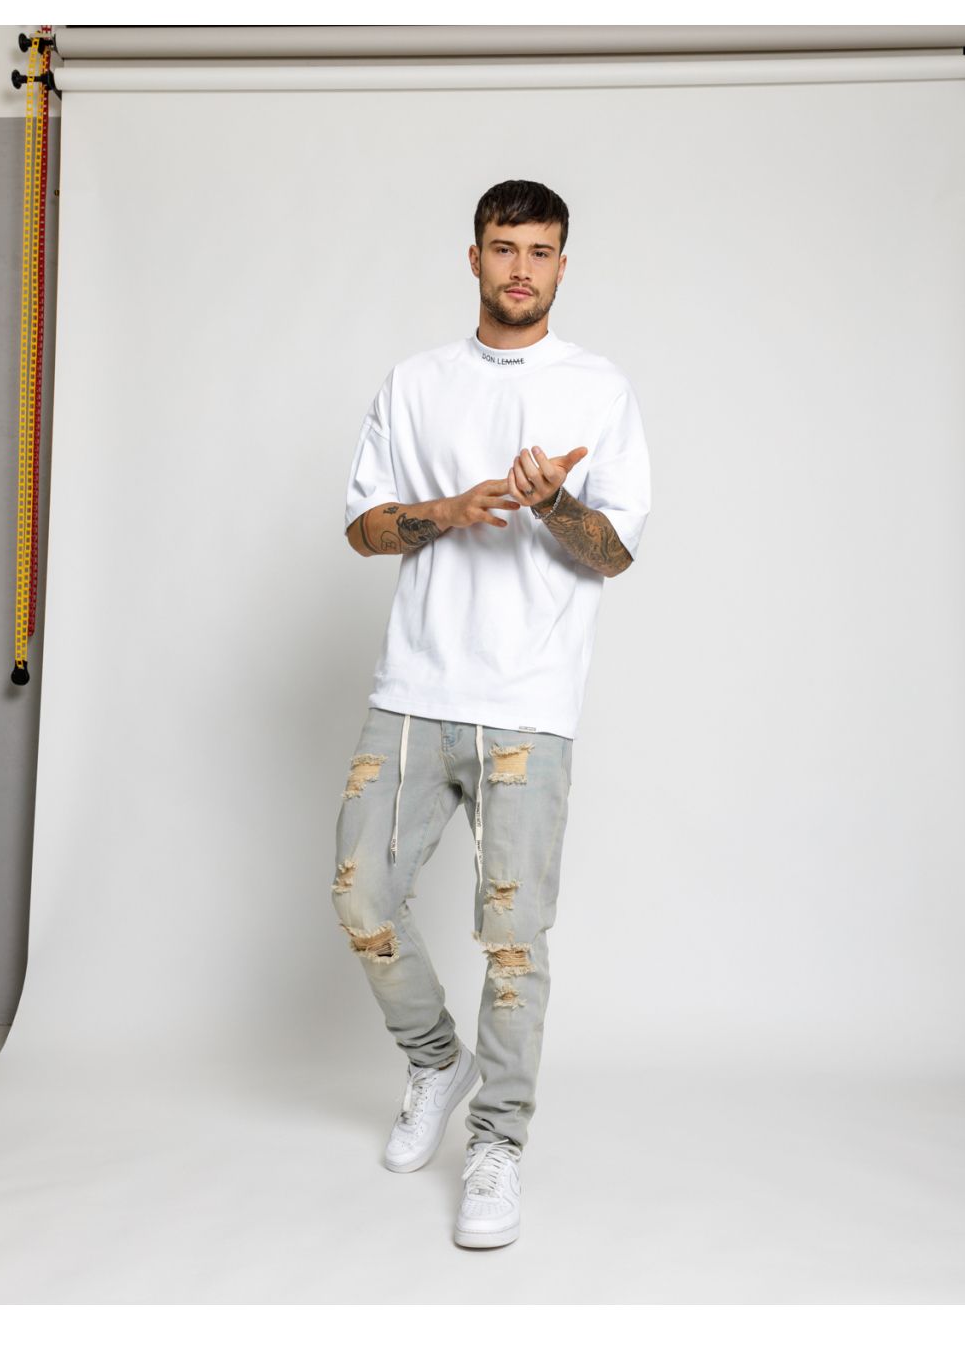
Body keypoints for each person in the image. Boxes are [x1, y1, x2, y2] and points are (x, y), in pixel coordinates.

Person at [333, 178, 650, 1248]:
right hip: (413, 692)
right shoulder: (415, 382)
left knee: (513, 940)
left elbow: (616, 552)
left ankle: (497, 1144)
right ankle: (436, 1060)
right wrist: (449, 509)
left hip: (528, 706)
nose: (522, 268)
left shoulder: (599, 389)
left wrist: (553, 503)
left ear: (563, 265)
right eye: (504, 247)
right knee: (361, 896)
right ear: (473, 257)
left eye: (541, 251)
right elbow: (363, 528)